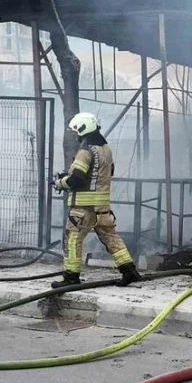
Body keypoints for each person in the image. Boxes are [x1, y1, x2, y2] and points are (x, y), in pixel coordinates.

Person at [51, 112, 142, 288]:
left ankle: (71, 277)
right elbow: (106, 173)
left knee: (72, 239)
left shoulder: (85, 151)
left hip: (83, 208)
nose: (76, 135)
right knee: (111, 237)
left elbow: (76, 179)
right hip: (102, 207)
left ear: (83, 129)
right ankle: (129, 271)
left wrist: (60, 182)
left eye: (76, 132)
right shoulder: (106, 149)